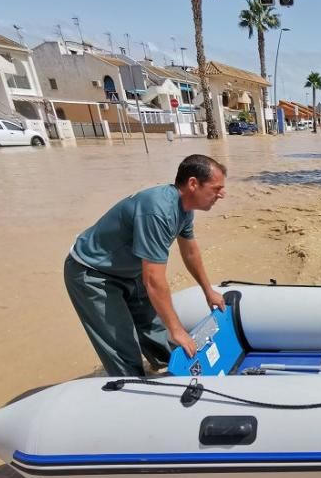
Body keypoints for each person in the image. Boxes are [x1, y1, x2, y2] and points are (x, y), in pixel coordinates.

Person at [64, 154, 228, 377]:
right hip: (93, 273)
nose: (222, 194)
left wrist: (208, 290)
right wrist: (178, 330)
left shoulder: (185, 209)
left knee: (155, 330)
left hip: (129, 271)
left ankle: (170, 370)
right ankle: (131, 386)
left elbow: (190, 252)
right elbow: (153, 280)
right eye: (216, 188)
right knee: (122, 345)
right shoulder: (157, 210)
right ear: (193, 184)